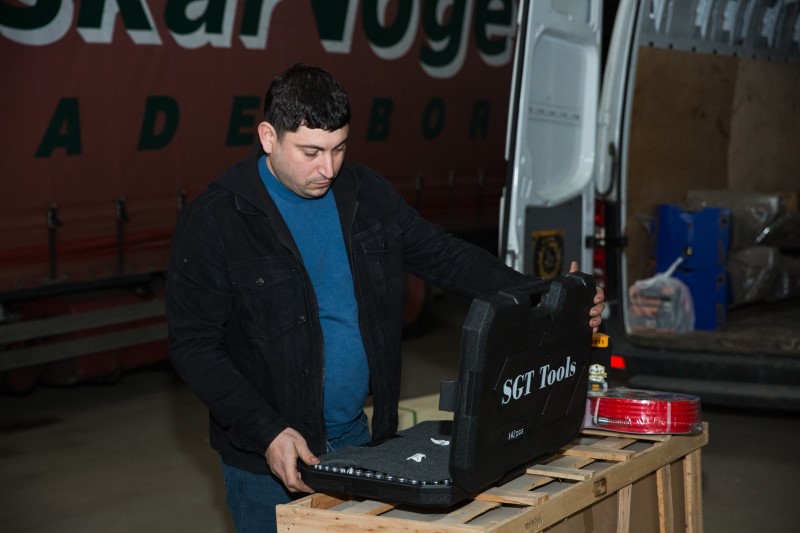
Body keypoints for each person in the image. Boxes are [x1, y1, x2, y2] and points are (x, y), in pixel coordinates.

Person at [165, 63, 605, 532]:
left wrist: (544, 298)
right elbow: (194, 346)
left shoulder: (364, 195)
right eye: (311, 152)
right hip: (267, 463)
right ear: (269, 137)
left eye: (338, 148)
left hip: (361, 441)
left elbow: (445, 256)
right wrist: (266, 430)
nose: (328, 169)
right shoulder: (216, 221)